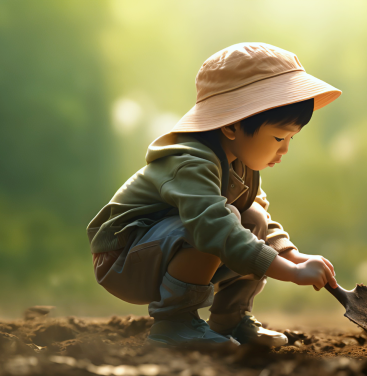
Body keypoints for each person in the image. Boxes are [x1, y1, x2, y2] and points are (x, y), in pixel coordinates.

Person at [87, 43, 341, 347]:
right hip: (123, 259)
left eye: (290, 138)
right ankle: (175, 324)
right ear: (233, 126)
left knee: (253, 217)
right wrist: (291, 272)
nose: (285, 149)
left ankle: (230, 319)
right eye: (278, 137)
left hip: (162, 245)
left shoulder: (240, 164)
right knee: (225, 223)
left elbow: (259, 225)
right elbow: (215, 228)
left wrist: (294, 257)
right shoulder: (191, 161)